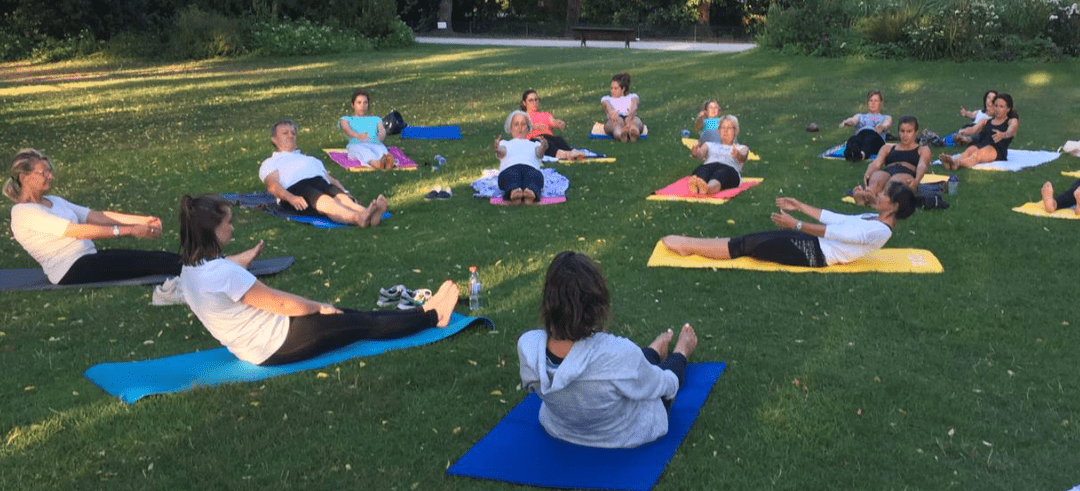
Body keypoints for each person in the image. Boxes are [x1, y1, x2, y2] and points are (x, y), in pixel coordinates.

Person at [177, 195, 459, 366]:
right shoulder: (224, 273)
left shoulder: (189, 271)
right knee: (363, 324)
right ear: (210, 231)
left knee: (354, 315)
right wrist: (318, 306)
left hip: (257, 346)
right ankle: (434, 317)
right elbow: (283, 304)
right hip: (277, 343)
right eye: (227, 223)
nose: (232, 227)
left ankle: (421, 310)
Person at [517, 251, 698, 448]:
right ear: (596, 302)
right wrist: (676, 365)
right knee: (661, 374)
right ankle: (681, 348)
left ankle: (653, 350)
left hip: (561, 428)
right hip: (622, 433)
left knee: (631, 367)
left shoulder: (528, 346)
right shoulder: (617, 353)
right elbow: (662, 386)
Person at [5, 149, 182, 285]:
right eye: (43, 173)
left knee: (154, 258)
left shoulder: (54, 201)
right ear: (24, 177)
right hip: (70, 270)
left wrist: (142, 220)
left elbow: (94, 216)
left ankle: (199, 265)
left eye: (50, 171)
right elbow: (75, 231)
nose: (50, 176)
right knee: (149, 262)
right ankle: (199, 269)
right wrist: (130, 230)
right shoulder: (23, 213)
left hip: (88, 259)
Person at [662, 182, 917, 268]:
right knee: (751, 239)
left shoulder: (877, 231)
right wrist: (800, 205)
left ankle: (689, 246)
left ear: (893, 207)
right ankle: (693, 243)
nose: (879, 195)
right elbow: (837, 219)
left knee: (748, 245)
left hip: (817, 254)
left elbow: (836, 233)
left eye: (884, 196)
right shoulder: (873, 220)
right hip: (817, 244)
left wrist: (795, 225)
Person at [260, 119, 387, 227]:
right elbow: (273, 186)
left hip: (320, 182)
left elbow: (331, 180)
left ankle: (370, 214)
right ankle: (358, 218)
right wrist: (290, 198)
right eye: (285, 133)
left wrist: (348, 194)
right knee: (325, 201)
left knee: (343, 199)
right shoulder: (271, 162)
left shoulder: (311, 159)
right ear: (274, 139)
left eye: (293, 133)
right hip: (296, 188)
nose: (290, 136)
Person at [852, 115, 930, 205]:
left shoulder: (922, 149)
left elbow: (922, 165)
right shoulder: (888, 147)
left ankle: (875, 200)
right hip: (887, 171)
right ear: (898, 132)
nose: (905, 135)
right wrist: (868, 173)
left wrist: (916, 180)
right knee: (878, 177)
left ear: (915, 132)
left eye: (909, 131)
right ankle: (868, 195)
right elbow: (876, 163)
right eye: (902, 131)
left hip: (906, 173)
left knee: (892, 183)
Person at [940, 93, 1019, 170]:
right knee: (966, 153)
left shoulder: (1011, 121)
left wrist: (1003, 135)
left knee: (976, 155)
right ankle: (951, 162)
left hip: (995, 148)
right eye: (996, 106)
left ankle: (957, 163)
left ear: (1008, 109)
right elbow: (973, 129)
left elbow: (1011, 131)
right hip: (981, 143)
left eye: (1001, 106)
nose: (997, 109)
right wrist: (961, 131)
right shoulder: (986, 121)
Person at [686, 115, 749, 194]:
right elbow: (700, 153)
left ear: (736, 131)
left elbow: (743, 157)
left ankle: (708, 189)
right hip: (709, 166)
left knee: (721, 174)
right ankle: (698, 186)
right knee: (702, 170)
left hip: (729, 169)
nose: (725, 131)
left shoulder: (741, 148)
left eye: (729, 128)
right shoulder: (709, 144)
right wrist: (695, 152)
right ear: (719, 131)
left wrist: (737, 154)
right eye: (723, 128)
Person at [495, 110, 548, 205]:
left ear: (528, 128)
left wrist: (543, 147)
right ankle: (515, 193)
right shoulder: (505, 143)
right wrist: (497, 149)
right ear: (510, 128)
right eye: (516, 124)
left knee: (535, 176)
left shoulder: (534, 144)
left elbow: (539, 153)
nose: (520, 128)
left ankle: (530, 193)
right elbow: (501, 152)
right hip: (510, 169)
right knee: (510, 176)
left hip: (530, 169)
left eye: (523, 124)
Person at [520, 89, 584, 161]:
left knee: (559, 140)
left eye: (536, 100)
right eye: (531, 100)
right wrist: (534, 126)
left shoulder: (545, 114)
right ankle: (565, 154)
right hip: (535, 139)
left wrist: (558, 123)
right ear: (524, 103)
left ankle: (570, 152)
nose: (534, 102)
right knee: (546, 143)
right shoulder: (523, 116)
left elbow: (552, 121)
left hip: (549, 137)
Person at [340, 89, 393, 169]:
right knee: (363, 152)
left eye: (365, 103)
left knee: (381, 149)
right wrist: (357, 135)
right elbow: (346, 128)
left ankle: (386, 162)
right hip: (357, 144)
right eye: (359, 102)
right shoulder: (347, 119)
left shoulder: (376, 119)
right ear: (353, 105)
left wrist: (382, 135)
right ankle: (377, 163)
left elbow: (382, 129)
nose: (362, 106)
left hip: (375, 143)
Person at [839, 90, 892, 162]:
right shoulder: (860, 116)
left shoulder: (886, 117)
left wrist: (882, 127)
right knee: (853, 139)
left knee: (870, 139)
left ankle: (861, 155)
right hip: (861, 135)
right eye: (871, 100)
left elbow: (887, 124)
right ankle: (851, 153)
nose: (873, 103)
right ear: (867, 103)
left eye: (876, 101)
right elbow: (853, 120)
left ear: (881, 103)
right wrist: (847, 122)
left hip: (876, 137)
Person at [601, 73, 644, 143]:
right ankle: (622, 134)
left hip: (630, 116)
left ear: (623, 89)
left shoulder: (632, 96)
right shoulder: (606, 98)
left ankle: (633, 132)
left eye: (615, 88)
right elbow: (607, 106)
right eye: (611, 88)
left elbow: (634, 105)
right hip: (615, 118)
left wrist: (631, 114)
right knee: (617, 123)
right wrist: (612, 113)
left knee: (633, 121)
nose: (612, 91)